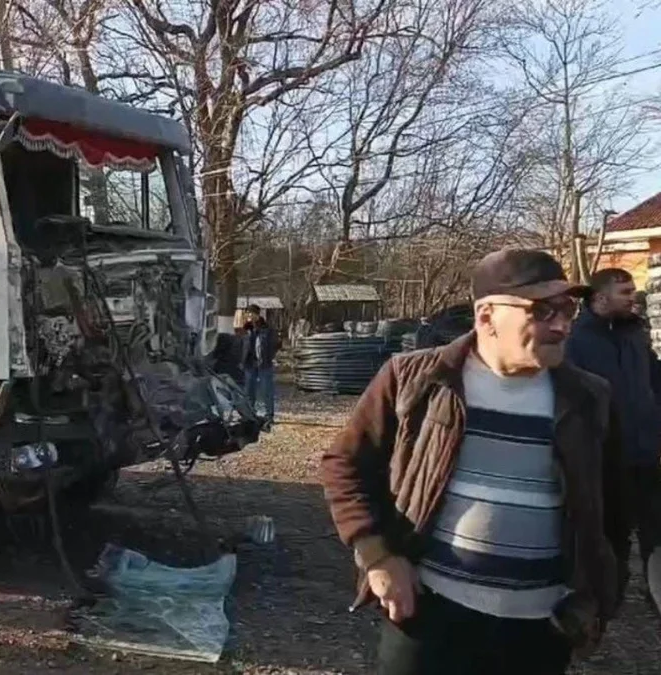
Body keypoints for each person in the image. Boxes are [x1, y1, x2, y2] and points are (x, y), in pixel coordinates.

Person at [320, 249, 629, 675]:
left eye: (567, 309)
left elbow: (611, 511)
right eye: (542, 311)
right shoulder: (416, 380)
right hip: (431, 618)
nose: (561, 325)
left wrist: (599, 599)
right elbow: (343, 465)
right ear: (486, 317)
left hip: (539, 629)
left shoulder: (589, 397)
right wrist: (378, 556)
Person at [566, 268, 661, 608]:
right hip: (606, 461)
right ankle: (605, 601)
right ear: (600, 298)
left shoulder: (635, 335)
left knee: (657, 532)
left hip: (647, 455)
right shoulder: (575, 342)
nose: (633, 297)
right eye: (625, 292)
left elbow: (654, 381)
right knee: (613, 536)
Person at [240, 304, 281, 424]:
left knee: (266, 390)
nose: (249, 316)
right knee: (249, 391)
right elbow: (243, 346)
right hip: (249, 363)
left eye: (252, 313)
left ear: (257, 314)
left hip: (264, 363)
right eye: (248, 313)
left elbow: (275, 344)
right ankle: (249, 414)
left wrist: (269, 356)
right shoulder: (247, 329)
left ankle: (269, 415)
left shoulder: (267, 329)